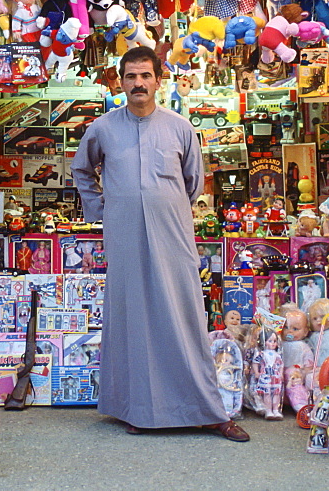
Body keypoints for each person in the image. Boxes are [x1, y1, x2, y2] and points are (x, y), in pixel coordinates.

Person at [70, 46, 249, 442]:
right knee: (132, 315)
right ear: (120, 81)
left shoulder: (180, 127)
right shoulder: (102, 128)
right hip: (123, 230)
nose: (138, 83)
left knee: (182, 310)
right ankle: (137, 407)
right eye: (130, 76)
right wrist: (102, 208)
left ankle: (206, 408)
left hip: (172, 229)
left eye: (145, 76)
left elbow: (193, 181)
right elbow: (81, 169)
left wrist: (163, 206)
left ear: (158, 80)